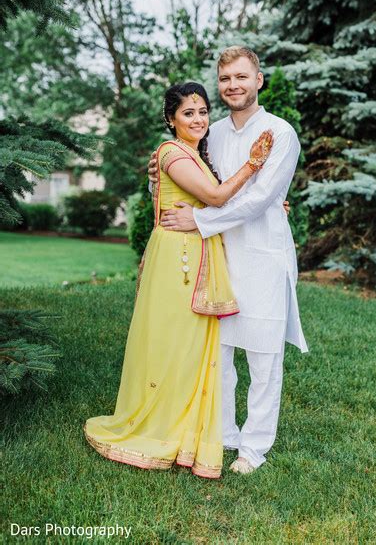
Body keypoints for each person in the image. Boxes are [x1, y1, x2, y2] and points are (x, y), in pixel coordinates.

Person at [84, 81, 273, 479]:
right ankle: (161, 427)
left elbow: (214, 197)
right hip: (178, 260)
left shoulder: (193, 153)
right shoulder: (171, 152)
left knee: (190, 348)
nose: (199, 119)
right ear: (171, 119)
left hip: (191, 255)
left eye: (203, 111)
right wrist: (253, 164)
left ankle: (187, 428)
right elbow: (217, 197)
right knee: (174, 345)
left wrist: (272, 200)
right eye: (188, 113)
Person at [148, 46, 308, 475]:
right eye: (225, 79)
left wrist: (199, 220)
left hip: (263, 257)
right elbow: (194, 179)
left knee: (262, 356)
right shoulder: (211, 132)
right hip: (216, 260)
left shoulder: (280, 132)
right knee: (216, 357)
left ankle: (253, 449)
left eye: (241, 77)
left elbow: (259, 199)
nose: (233, 86)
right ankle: (224, 434)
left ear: (258, 79)